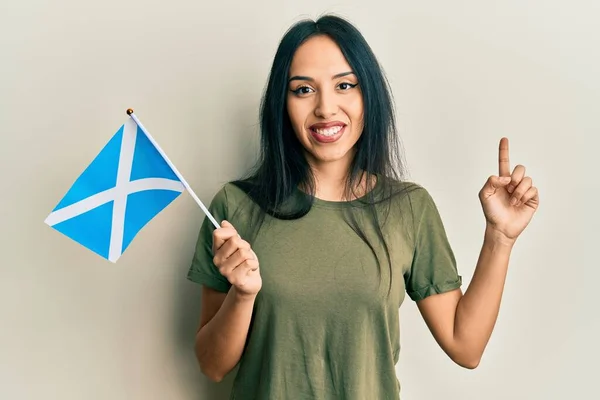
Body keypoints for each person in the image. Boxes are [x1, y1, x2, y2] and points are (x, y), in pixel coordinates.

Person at [186, 14, 539, 400]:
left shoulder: (408, 208)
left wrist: (500, 238)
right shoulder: (236, 208)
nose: (325, 107)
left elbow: (465, 346)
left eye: (344, 85)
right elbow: (212, 365)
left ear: (367, 94)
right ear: (281, 104)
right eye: (303, 89)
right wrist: (243, 294)